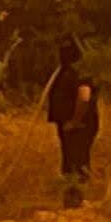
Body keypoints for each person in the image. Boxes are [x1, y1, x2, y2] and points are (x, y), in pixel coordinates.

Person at [41, 35, 101, 207]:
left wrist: (74, 121)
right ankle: (71, 201)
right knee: (69, 161)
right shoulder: (67, 70)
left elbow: (84, 97)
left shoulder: (81, 71)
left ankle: (78, 202)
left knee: (78, 162)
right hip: (69, 124)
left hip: (80, 125)